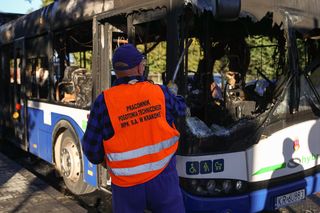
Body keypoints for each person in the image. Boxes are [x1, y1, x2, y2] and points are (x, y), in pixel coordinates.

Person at [82, 44, 186, 213]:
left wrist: (107, 163)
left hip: (126, 186)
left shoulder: (103, 102)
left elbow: (91, 150)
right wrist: (172, 93)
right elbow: (181, 108)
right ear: (139, 67)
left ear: (116, 70)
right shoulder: (160, 93)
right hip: (164, 180)